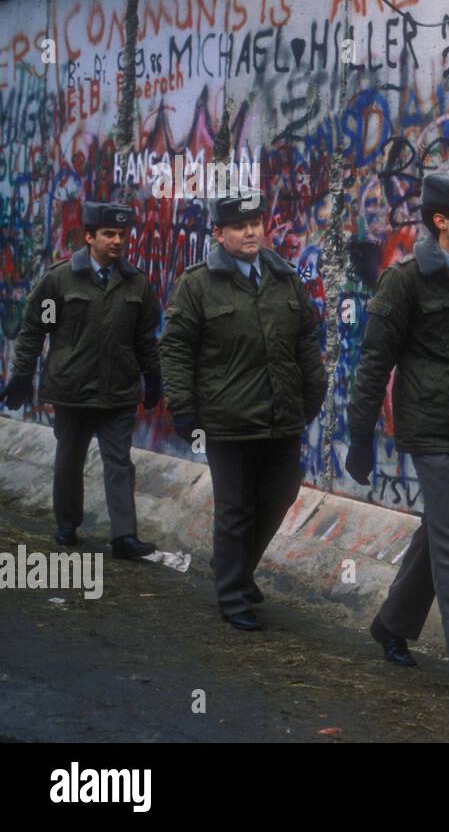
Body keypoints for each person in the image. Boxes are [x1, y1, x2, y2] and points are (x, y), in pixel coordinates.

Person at [345, 170, 449, 710]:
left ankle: (392, 624)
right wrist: (360, 437)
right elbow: (374, 363)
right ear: (442, 221)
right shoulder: (406, 281)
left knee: (437, 532)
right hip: (429, 428)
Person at [159, 191, 326, 631]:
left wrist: (315, 390)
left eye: (256, 222)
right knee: (235, 508)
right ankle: (232, 595)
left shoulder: (284, 277)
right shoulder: (197, 284)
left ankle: (236, 569)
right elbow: (175, 349)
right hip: (227, 419)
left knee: (280, 494)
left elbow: (305, 339)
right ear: (218, 233)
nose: (251, 232)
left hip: (282, 414)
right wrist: (184, 407)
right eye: (239, 225)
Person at [1, 201, 160, 559]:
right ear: (89, 236)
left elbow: (145, 337)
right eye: (108, 234)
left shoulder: (136, 283)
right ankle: (67, 524)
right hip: (72, 389)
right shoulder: (59, 280)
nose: (117, 241)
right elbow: (34, 330)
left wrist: (153, 376)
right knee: (69, 460)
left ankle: (124, 536)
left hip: (118, 390)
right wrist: (23, 375)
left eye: (122, 234)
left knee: (120, 462)